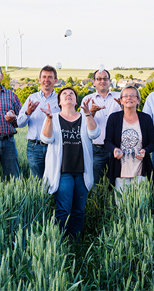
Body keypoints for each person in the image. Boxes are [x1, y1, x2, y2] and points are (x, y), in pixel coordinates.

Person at [40, 87, 100, 240]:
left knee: (79, 210)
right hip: (62, 172)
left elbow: (95, 134)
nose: (68, 95)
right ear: (59, 101)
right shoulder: (53, 117)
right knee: (63, 210)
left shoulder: (84, 117)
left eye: (71, 94)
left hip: (82, 172)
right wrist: (48, 119)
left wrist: (88, 114)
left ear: (76, 100)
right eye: (64, 94)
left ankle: (76, 242)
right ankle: (60, 241)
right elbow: (46, 139)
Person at [104, 85, 154, 194]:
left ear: (138, 100)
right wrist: (114, 150)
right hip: (120, 171)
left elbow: (153, 143)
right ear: (121, 101)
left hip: (140, 170)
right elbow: (107, 142)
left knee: (140, 205)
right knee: (122, 206)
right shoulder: (114, 118)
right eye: (126, 96)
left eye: (133, 95)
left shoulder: (146, 118)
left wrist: (145, 151)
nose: (129, 98)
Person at [17, 65, 60, 179]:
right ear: (39, 79)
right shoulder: (32, 98)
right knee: (37, 181)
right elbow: (20, 123)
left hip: (54, 146)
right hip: (34, 147)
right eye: (44, 77)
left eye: (50, 77)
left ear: (55, 80)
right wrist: (28, 112)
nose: (46, 80)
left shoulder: (60, 99)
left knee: (54, 178)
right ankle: (40, 197)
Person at [80, 69, 121, 185]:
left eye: (105, 78)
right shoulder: (87, 100)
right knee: (96, 184)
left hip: (117, 148)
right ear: (94, 81)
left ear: (109, 81)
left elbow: (130, 118)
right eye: (99, 79)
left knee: (117, 183)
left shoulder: (120, 97)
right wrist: (91, 113)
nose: (102, 81)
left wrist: (123, 108)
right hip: (96, 149)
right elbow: (83, 126)